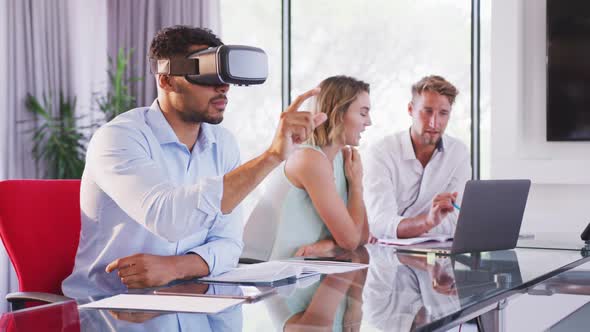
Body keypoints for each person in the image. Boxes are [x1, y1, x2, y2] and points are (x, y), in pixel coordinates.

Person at [62, 25, 326, 297]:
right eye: (207, 74)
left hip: (193, 299)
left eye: (223, 76)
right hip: (109, 308)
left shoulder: (223, 144)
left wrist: (176, 267)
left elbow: (229, 243)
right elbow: (168, 220)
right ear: (166, 80)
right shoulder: (119, 138)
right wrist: (271, 157)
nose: (223, 87)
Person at [242, 75, 371, 261]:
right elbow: (351, 241)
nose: (369, 122)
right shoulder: (309, 159)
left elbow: (363, 236)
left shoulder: (344, 159)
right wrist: (357, 185)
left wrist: (329, 245)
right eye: (363, 113)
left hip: (299, 270)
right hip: (266, 274)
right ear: (338, 113)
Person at [363, 75, 471, 239]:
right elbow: (380, 223)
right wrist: (427, 222)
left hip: (437, 254)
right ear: (410, 109)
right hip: (385, 255)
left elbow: (457, 219)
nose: (434, 123)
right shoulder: (381, 153)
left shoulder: (458, 153)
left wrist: (416, 227)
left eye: (443, 113)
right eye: (427, 111)